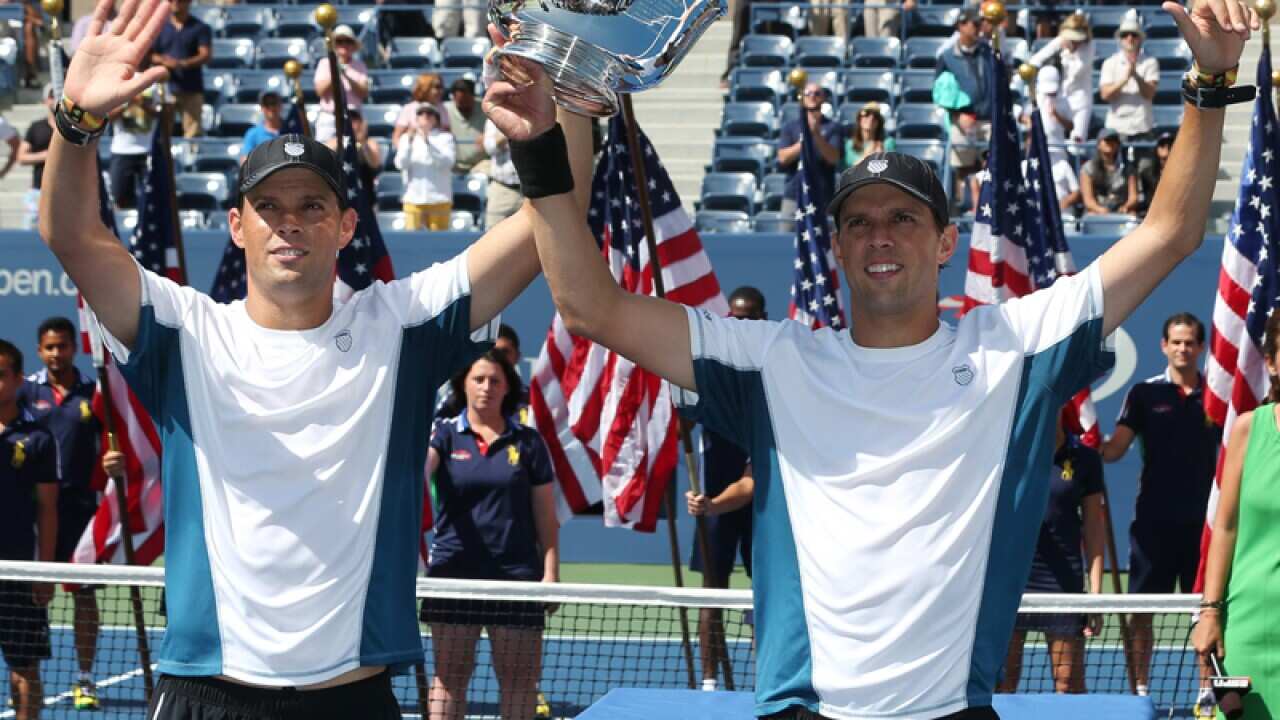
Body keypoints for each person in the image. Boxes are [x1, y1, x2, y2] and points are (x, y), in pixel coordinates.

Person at [506, 0, 1255, 714]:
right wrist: (542, 149)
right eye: (858, 223)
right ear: (836, 249)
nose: (880, 235)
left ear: (945, 242)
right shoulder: (773, 361)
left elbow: (1170, 235)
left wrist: (1212, 82)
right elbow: (590, 307)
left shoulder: (1014, 345)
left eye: (903, 216)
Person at [40, 2, 590, 714]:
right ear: (237, 226)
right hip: (207, 694)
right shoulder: (184, 330)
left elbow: (551, 213)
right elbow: (72, 237)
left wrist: (569, 97)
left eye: (312, 205)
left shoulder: (404, 322)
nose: (290, 221)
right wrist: (75, 122)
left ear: (347, 225)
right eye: (269, 207)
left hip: (353, 697)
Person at [422, 349, 559, 720]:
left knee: (519, 681)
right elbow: (421, 470)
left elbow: (546, 517)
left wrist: (550, 572)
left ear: (507, 387)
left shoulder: (528, 443)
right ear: (463, 384)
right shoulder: (444, 434)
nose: (486, 388)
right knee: (449, 678)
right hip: (453, 575)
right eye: (478, 379)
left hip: (515, 579)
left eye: (495, 380)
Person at [1101, 312, 1220, 698]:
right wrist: (1086, 442)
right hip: (1153, 526)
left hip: (1205, 527)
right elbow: (1115, 449)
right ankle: (1140, 689)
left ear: (1201, 348)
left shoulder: (1219, 397)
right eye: (1176, 341)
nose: (1183, 348)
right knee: (1141, 612)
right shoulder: (1144, 394)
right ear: (1163, 346)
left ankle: (1207, 688)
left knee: (1207, 609)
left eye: (1190, 342)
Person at [1192, 309, 1280, 720]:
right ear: (1272, 362)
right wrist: (1210, 612)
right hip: (1249, 631)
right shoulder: (1248, 428)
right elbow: (1224, 528)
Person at [16, 318, 105, 710]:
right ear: (39, 351)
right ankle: (24, 676)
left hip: (81, 508)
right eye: (49, 347)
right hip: (34, 510)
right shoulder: (24, 391)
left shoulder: (93, 392)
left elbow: (110, 440)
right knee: (33, 595)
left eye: (63, 346)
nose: (56, 354)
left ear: (74, 348)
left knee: (84, 596)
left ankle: (85, 679)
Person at [684, 286, 764, 693]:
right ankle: (710, 682)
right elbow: (683, 409)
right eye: (737, 317)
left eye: (751, 317)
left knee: (765, 594)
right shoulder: (710, 371)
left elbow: (750, 483)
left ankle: (765, 677)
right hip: (713, 503)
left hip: (761, 506)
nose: (744, 324)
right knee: (710, 594)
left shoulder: (772, 368)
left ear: (763, 318)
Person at [998, 408, 1106, 695]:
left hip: (1062, 585)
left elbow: (1094, 528)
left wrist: (1095, 595)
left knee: (1068, 682)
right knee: (1001, 684)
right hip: (1011, 582)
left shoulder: (1086, 459)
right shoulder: (1007, 453)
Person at [0, 339, 58, 720]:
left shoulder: (38, 438)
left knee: (25, 671)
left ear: (19, 379)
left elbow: (49, 509)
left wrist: (45, 571)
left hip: (18, 571)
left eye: (0, 374)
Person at [1028, 12, 1094, 146]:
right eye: (1072, 39)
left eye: (1077, 39)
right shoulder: (1061, 40)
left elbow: (1076, 71)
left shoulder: (1090, 46)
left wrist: (1065, 53)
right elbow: (1036, 59)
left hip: (1080, 100)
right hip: (1059, 97)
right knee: (1050, 137)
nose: (1074, 42)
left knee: (1077, 142)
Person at [148, 0, 211, 138]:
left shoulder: (200, 27)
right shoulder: (160, 27)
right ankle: (163, 160)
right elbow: (149, 54)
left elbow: (205, 55)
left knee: (193, 132)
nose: (175, 3)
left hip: (191, 87)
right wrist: (164, 60)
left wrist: (181, 63)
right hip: (165, 88)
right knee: (162, 133)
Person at [776, 83, 841, 217]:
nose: (812, 97)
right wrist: (804, 139)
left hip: (823, 197)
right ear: (802, 98)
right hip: (794, 196)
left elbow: (833, 158)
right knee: (786, 236)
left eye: (817, 93)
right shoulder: (790, 127)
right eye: (808, 93)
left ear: (823, 98)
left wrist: (816, 135)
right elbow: (783, 158)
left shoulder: (833, 127)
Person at [1099, 12, 1160, 147]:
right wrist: (1125, 79)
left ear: (1140, 38)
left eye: (1134, 34)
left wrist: (1136, 76)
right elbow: (1105, 94)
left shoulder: (1150, 62)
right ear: (1120, 39)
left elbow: (1150, 94)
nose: (1129, 38)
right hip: (1116, 128)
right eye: (1125, 35)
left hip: (1142, 127)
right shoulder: (1110, 63)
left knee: (1145, 168)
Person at [396, 104, 456, 231]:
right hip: (413, 199)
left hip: (439, 199)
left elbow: (448, 162)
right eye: (421, 114)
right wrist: (409, 142)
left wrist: (428, 143)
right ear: (416, 119)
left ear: (436, 118)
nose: (425, 117)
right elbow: (400, 164)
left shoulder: (446, 138)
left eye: (429, 114)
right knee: (412, 242)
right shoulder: (406, 138)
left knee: (439, 244)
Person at [313, 24, 369, 142]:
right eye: (339, 41)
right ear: (334, 45)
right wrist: (335, 72)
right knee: (324, 155)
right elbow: (320, 91)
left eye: (347, 41)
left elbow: (363, 93)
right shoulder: (324, 63)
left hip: (353, 118)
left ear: (353, 45)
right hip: (329, 117)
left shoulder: (360, 66)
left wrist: (346, 75)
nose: (344, 45)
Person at [107, 87, 157, 210]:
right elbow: (108, 117)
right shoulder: (119, 82)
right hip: (122, 151)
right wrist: (127, 102)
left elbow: (165, 113)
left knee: (152, 201)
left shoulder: (156, 80)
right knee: (119, 198)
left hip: (149, 150)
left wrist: (143, 104)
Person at [17, 85, 55, 228]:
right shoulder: (36, 127)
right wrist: (46, 156)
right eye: (51, 96)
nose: (55, 99)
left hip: (65, 191)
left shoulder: (71, 128)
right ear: (45, 100)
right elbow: (21, 157)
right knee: (30, 237)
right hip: (38, 191)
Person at [323, 108, 383, 193]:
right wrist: (343, 141)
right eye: (346, 120)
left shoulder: (370, 143)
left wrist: (362, 143)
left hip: (365, 191)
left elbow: (375, 164)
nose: (350, 123)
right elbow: (326, 158)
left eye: (354, 120)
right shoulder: (333, 142)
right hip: (341, 189)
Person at [1080, 128, 1137, 215]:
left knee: (1132, 215)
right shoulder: (1087, 168)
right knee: (1091, 214)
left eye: (1114, 140)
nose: (1111, 143)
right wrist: (1099, 209)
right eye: (1107, 140)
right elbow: (1088, 201)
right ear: (1099, 144)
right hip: (1097, 210)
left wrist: (1126, 206)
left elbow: (1133, 197)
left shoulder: (1129, 168)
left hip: (1121, 209)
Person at [483, 118, 522, 230]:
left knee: (529, 239)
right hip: (502, 189)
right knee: (492, 237)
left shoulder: (533, 115)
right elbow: (489, 147)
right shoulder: (495, 118)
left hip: (528, 191)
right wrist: (509, 132)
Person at [393, 72, 451, 146]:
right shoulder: (409, 108)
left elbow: (447, 135)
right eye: (437, 87)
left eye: (442, 87)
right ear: (425, 88)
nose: (441, 91)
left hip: (436, 153)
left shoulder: (442, 109)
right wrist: (406, 151)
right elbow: (396, 137)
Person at [446, 78, 486, 175]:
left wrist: (488, 136)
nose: (463, 104)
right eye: (460, 102)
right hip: (453, 166)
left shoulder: (486, 108)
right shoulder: (444, 110)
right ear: (454, 98)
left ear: (473, 96)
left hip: (482, 165)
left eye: (466, 100)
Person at [843, 102, 894, 169]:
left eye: (875, 116)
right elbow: (852, 168)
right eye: (867, 114)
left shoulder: (888, 142)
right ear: (859, 119)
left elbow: (892, 167)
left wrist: (883, 156)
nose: (871, 118)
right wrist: (870, 153)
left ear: (879, 122)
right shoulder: (850, 144)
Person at [239, 90, 284, 162]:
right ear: (262, 108)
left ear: (281, 105)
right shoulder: (253, 134)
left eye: (274, 103)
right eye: (267, 104)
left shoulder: (291, 131)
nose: (271, 107)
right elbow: (245, 162)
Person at [1136, 132, 1174, 216]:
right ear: (1156, 148)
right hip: (1153, 214)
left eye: (1170, 145)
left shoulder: (1183, 172)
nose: (1166, 148)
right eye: (1162, 145)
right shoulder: (1146, 173)